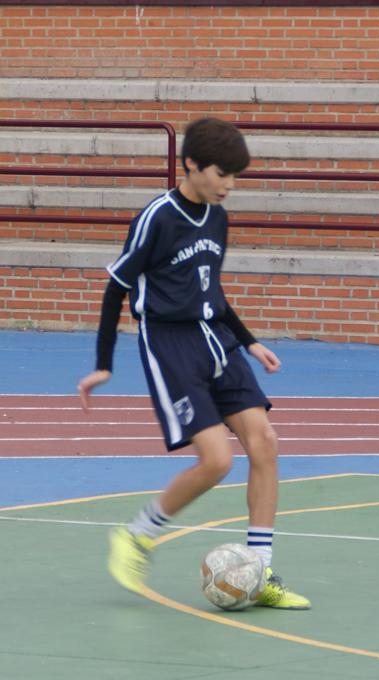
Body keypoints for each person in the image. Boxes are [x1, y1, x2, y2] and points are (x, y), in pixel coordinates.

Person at [77, 117, 310, 610]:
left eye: (235, 177)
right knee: (218, 460)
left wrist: (248, 341)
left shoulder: (219, 219)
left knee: (264, 443)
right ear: (191, 165)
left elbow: (213, 290)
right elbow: (116, 286)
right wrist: (104, 362)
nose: (229, 185)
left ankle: (260, 572)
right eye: (222, 174)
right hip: (170, 345)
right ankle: (137, 534)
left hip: (216, 341)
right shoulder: (157, 217)